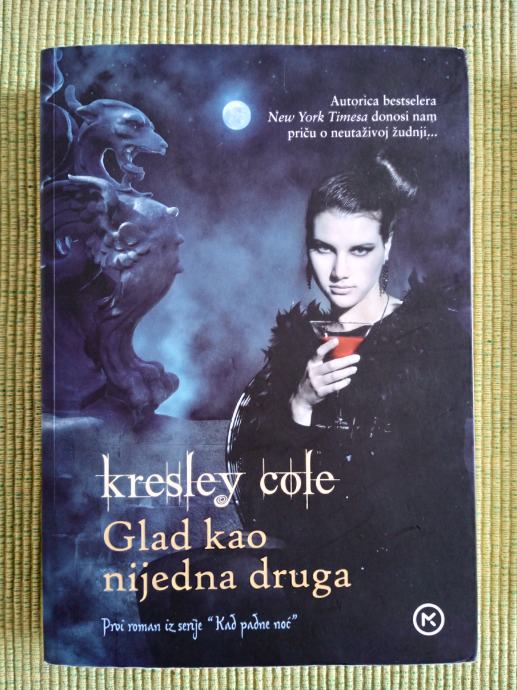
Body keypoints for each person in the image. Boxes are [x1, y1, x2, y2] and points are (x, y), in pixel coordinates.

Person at [226, 152, 476, 664]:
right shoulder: (296, 351)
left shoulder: (433, 339)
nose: (339, 272)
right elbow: (269, 508)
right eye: (324, 248)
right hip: (317, 565)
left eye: (360, 250)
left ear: (388, 246)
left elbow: (431, 493)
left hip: (408, 572)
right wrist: (300, 404)